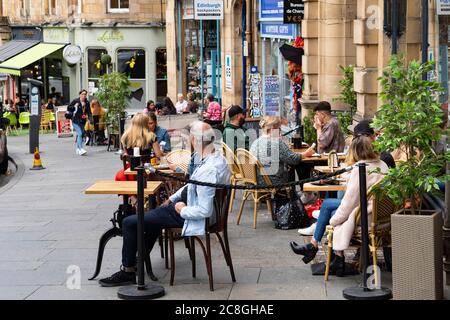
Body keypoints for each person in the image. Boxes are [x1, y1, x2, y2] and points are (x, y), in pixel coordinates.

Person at [99, 121, 230, 287]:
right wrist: (174, 198)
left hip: (193, 216)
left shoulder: (208, 169)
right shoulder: (217, 159)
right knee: (152, 218)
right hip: (195, 209)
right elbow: (193, 184)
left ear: (195, 141)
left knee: (129, 222)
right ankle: (138, 262)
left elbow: (204, 210)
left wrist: (181, 209)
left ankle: (128, 271)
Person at [290, 135, 389, 276]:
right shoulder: (381, 165)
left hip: (365, 216)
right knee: (329, 205)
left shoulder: (360, 169)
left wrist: (333, 221)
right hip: (379, 214)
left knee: (330, 210)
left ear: (355, 151)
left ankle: (325, 252)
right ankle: (318, 248)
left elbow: (349, 204)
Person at [250, 116, 314, 185]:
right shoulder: (276, 142)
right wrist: (306, 153)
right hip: (272, 182)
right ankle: (293, 194)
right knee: (295, 167)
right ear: (272, 129)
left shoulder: (255, 142)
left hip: (255, 181)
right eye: (279, 129)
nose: (280, 131)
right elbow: (293, 159)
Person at [67, 89, 93, 156]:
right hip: (75, 120)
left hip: (82, 121)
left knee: (81, 134)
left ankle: (78, 149)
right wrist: (74, 107)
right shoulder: (76, 101)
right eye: (82, 94)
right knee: (80, 133)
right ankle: (81, 149)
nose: (84, 95)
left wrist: (91, 120)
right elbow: (69, 108)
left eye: (85, 94)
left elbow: (89, 112)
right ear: (80, 94)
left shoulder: (87, 102)